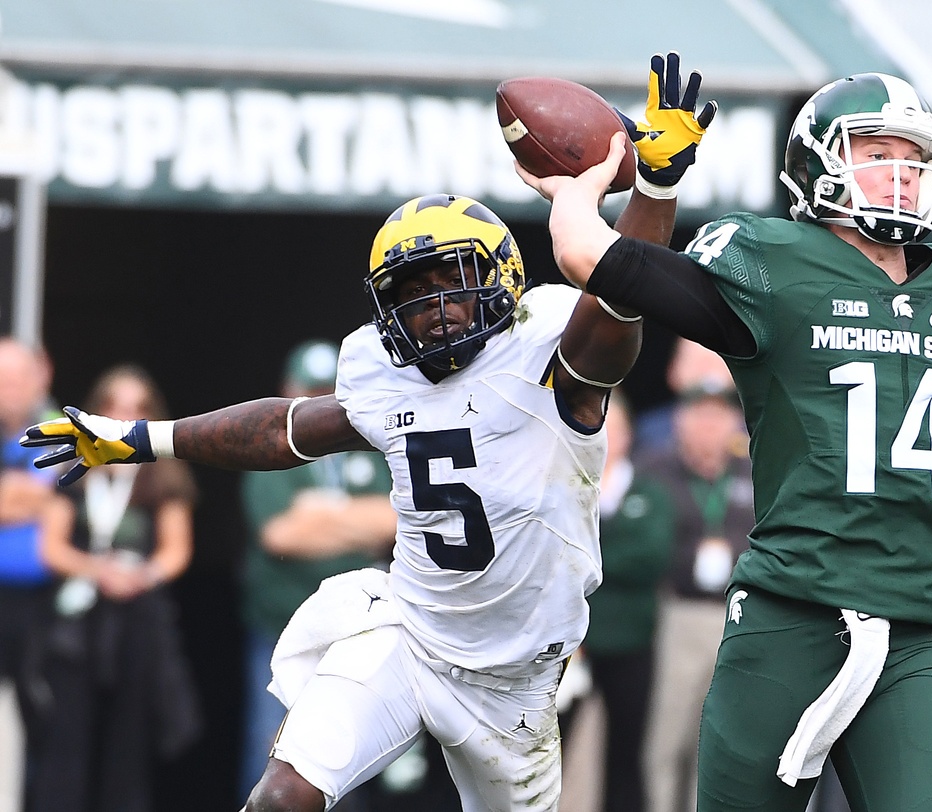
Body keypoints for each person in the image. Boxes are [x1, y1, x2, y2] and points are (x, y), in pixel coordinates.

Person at [20, 52, 717, 812]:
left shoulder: (549, 351)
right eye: (411, 293)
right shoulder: (381, 374)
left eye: (451, 277)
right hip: (409, 636)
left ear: (500, 278)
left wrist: (656, 188)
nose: (434, 305)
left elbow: (621, 297)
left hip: (516, 683)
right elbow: (285, 429)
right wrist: (143, 439)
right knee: (281, 796)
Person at [520, 71, 932, 811]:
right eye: (876, 150)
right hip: (787, 616)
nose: (901, 174)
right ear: (816, 164)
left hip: (919, 634)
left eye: (914, 156)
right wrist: (602, 183)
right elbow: (594, 258)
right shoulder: (772, 261)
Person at [25, 364, 203, 812]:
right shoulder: (73, 466)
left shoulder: (161, 473)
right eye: (115, 406)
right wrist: (96, 570)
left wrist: (140, 576)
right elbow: (51, 546)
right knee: (66, 743)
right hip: (79, 624)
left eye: (137, 408)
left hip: (138, 620)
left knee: (129, 746)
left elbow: (176, 550)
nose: (125, 416)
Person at [237, 340, 396, 806]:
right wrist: (356, 523)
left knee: (349, 758)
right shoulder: (271, 447)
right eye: (309, 392)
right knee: (273, 755)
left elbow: (396, 521)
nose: (319, 404)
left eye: (329, 391)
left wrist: (322, 512)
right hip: (281, 628)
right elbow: (281, 534)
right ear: (289, 391)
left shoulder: (373, 444)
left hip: (357, 633)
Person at [642, 375, 754, 812]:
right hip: (679, 611)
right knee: (667, 734)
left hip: (737, 616)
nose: (709, 424)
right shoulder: (657, 468)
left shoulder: (753, 471)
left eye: (719, 414)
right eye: (700, 414)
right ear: (681, 420)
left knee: (720, 738)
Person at [559, 389, 674, 812]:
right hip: (569, 645)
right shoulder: (562, 485)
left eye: (616, 424)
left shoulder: (651, 491)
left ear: (629, 435)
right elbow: (549, 553)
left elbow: (652, 557)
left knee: (628, 754)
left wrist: (588, 560)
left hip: (630, 641)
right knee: (549, 751)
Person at [0, 338, 58, 812]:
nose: (5, 390)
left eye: (13, 379)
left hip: (40, 606)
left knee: (36, 717)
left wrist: (19, 496)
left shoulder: (58, 430)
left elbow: (40, 495)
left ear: (41, 376)